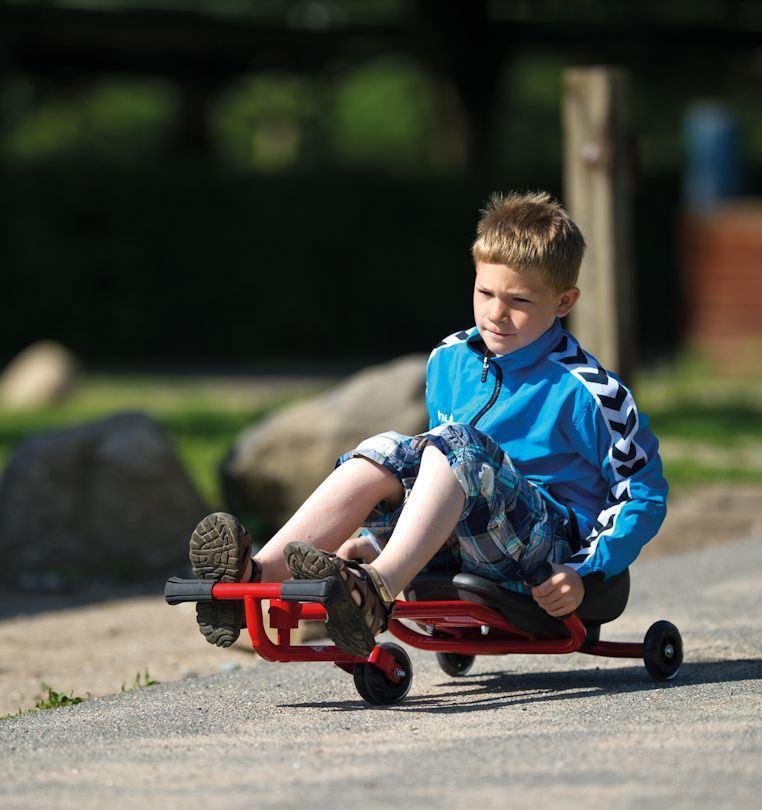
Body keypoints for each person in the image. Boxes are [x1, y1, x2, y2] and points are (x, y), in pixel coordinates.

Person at [188, 191, 668, 657]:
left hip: (546, 554)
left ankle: (377, 590)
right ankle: (255, 579)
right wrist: (376, 539)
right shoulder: (450, 360)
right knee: (386, 449)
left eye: (519, 301)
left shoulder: (588, 391)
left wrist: (584, 572)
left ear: (564, 303)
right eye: (484, 292)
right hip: (464, 539)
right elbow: (436, 479)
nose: (495, 313)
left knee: (456, 443)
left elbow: (642, 492)